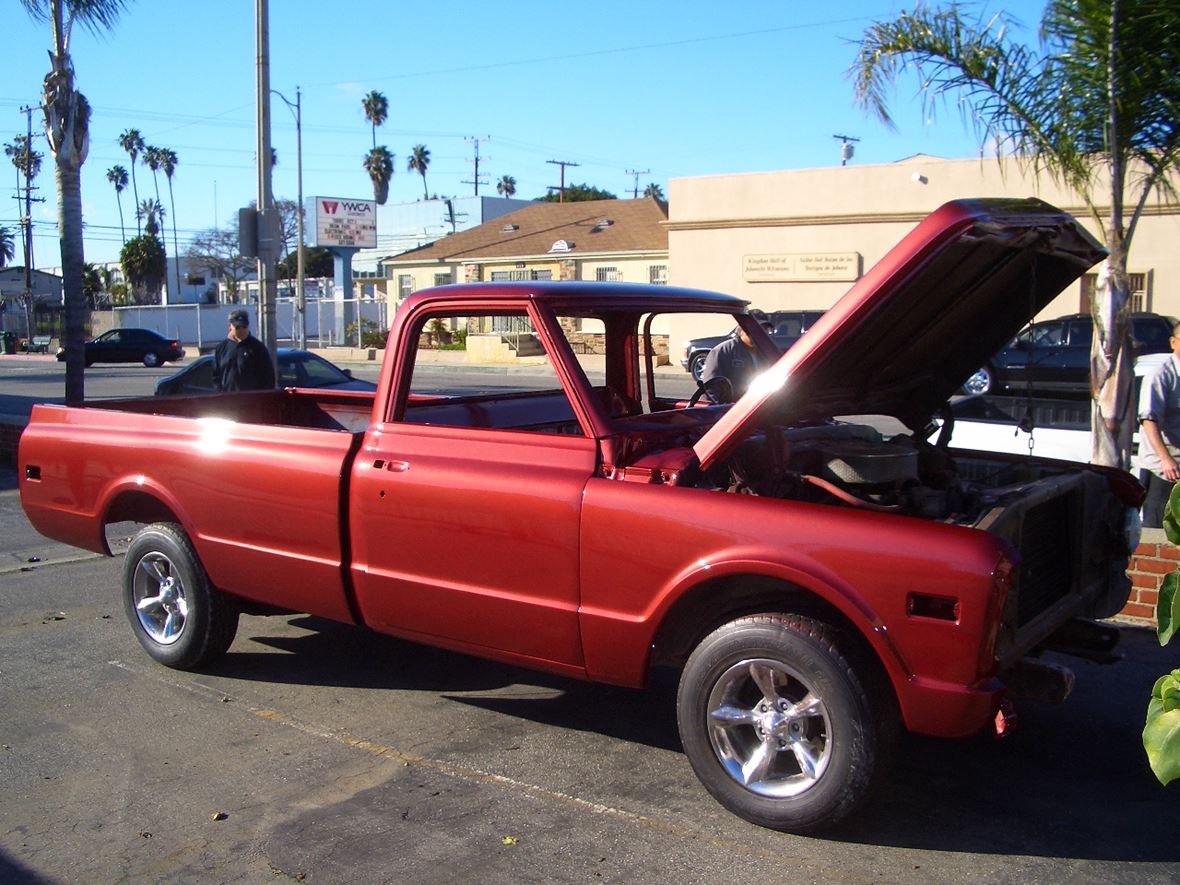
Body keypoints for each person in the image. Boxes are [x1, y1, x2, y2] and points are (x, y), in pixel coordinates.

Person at [1137, 321, 1180, 527]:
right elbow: (1149, 420)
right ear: (1173, 342)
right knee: (1160, 531)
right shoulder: (1161, 375)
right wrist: (1166, 459)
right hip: (1163, 471)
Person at [699, 312, 774, 402]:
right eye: (755, 329)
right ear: (741, 330)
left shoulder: (767, 352)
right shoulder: (723, 351)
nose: (759, 333)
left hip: (755, 407)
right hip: (730, 410)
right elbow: (711, 390)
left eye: (764, 330)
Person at [213, 308, 275, 392]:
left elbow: (268, 377)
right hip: (228, 400)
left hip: (251, 400)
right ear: (230, 327)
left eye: (244, 327)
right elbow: (216, 376)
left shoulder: (257, 347)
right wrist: (219, 394)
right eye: (238, 327)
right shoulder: (221, 348)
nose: (242, 330)